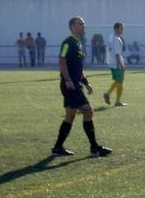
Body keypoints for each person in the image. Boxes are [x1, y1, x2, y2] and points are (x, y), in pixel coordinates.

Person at [52, 16, 112, 157]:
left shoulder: (79, 43)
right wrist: (68, 80)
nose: (83, 26)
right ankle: (94, 148)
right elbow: (62, 61)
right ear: (72, 26)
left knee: (70, 116)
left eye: (83, 24)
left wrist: (85, 82)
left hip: (75, 84)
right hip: (70, 86)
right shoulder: (68, 42)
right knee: (88, 111)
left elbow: (79, 67)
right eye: (80, 24)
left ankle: (57, 148)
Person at [104, 22, 127, 107]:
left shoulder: (111, 37)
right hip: (116, 63)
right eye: (121, 28)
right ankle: (116, 101)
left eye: (123, 28)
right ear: (116, 29)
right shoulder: (116, 39)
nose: (122, 30)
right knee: (120, 81)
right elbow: (117, 53)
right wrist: (122, 64)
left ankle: (108, 94)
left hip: (112, 62)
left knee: (118, 80)